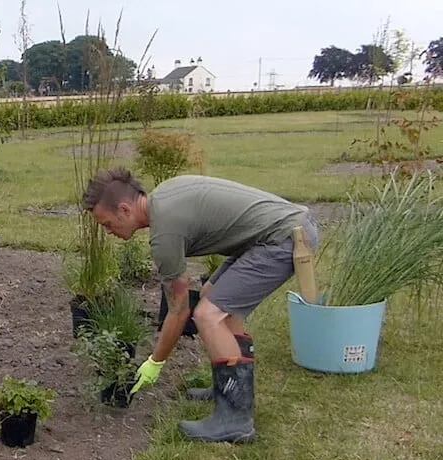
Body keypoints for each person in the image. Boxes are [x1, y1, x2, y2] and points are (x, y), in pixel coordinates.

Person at [82, 167, 319, 444]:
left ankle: (235, 419)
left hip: (283, 240)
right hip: (278, 232)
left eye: (107, 224)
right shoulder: (164, 198)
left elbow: (179, 310)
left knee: (208, 316)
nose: (109, 232)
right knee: (211, 295)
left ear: (124, 209)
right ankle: (228, 388)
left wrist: (154, 362)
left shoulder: (164, 235)